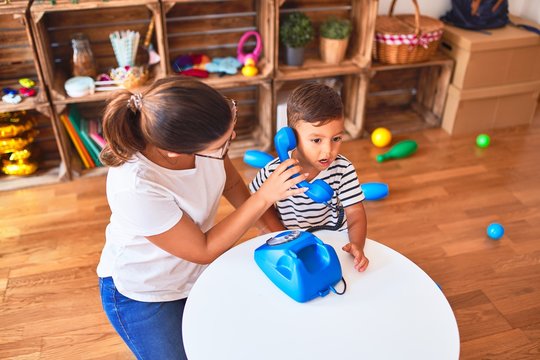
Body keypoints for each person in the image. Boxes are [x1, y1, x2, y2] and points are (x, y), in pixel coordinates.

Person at [96, 76, 306, 360]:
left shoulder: (200, 131)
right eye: (222, 140)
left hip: (196, 273)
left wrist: (274, 231)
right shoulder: (135, 185)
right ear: (174, 152)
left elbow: (229, 181)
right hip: (147, 291)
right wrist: (265, 196)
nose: (231, 138)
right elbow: (203, 249)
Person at [249, 82, 369, 272]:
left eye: (336, 139)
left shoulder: (343, 169)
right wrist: (279, 233)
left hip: (333, 245)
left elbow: (355, 213)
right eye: (316, 140)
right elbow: (257, 206)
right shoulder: (274, 172)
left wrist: (357, 244)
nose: (328, 151)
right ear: (291, 138)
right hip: (292, 248)